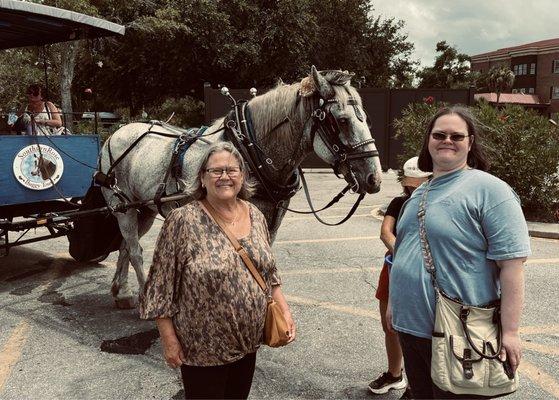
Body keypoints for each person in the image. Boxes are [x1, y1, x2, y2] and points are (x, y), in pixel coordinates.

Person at [388, 105, 531, 399]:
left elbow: (512, 267)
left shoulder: (491, 190)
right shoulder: (419, 193)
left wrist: (511, 332)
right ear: (428, 140)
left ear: (471, 142)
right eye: (439, 134)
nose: (447, 140)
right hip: (411, 330)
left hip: (459, 333)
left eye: (457, 135)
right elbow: (402, 253)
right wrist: (394, 304)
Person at [139, 142, 296, 400]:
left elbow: (269, 272)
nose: (225, 176)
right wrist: (169, 339)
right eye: (216, 171)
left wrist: (285, 312)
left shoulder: (255, 215)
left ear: (242, 177)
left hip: (248, 343)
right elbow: (160, 286)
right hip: (203, 349)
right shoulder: (182, 220)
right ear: (202, 178)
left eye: (232, 170)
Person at [368, 157, 430, 397]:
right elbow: (385, 233)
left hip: (425, 272)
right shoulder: (399, 202)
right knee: (389, 324)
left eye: (418, 185)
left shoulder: (435, 203)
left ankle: (418, 385)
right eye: (410, 186)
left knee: (420, 329)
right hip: (395, 266)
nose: (413, 190)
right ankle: (395, 374)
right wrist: (406, 256)